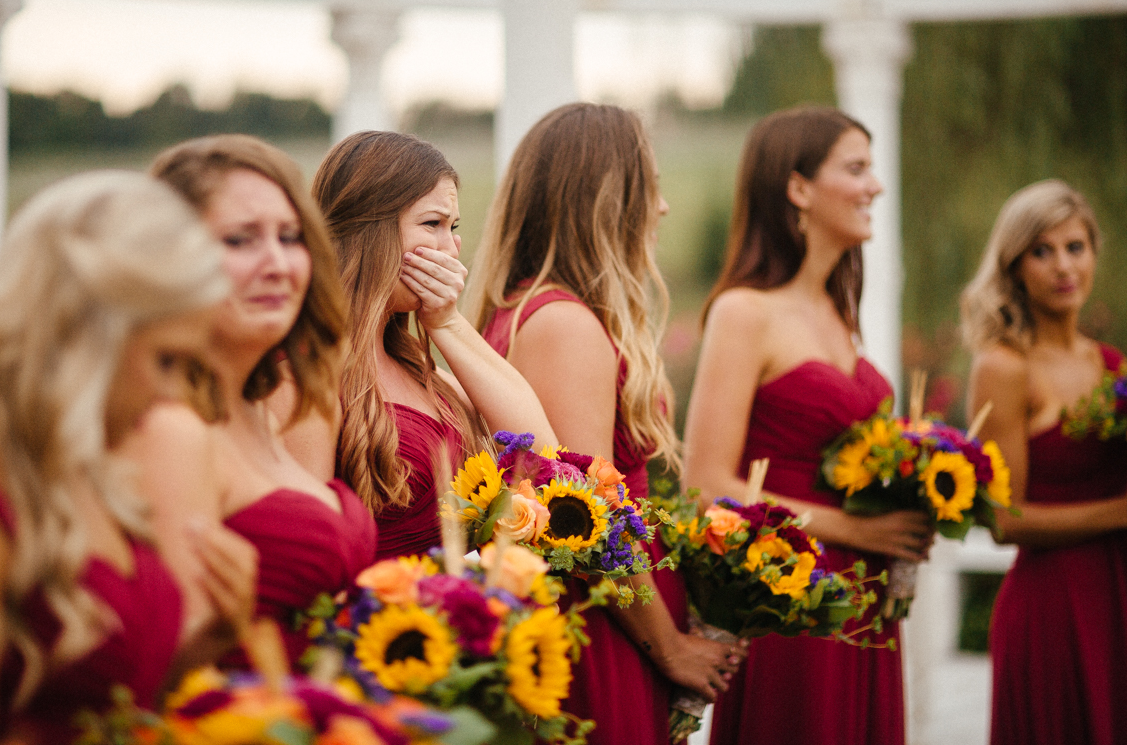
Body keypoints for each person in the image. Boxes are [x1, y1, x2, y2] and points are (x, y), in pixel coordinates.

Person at [0, 171, 255, 745]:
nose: (175, 397)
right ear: (84, 340)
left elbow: (107, 703)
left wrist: (210, 641)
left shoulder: (95, 469)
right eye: (167, 362)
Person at [465, 102, 743, 745]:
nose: (664, 208)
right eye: (651, 187)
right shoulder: (564, 323)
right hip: (602, 630)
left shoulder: (525, 310)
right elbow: (587, 517)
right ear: (609, 200)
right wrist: (668, 646)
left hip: (608, 619)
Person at [682, 106, 932, 745]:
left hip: (866, 599)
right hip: (794, 597)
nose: (875, 186)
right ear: (797, 188)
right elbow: (706, 483)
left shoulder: (836, 310)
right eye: (856, 169)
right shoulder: (745, 312)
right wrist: (854, 528)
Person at [133, 134, 374, 671]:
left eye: (290, 237)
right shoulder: (169, 426)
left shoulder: (276, 405)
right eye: (240, 240)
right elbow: (153, 670)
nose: (277, 264)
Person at [311, 131, 557, 560]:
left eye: (454, 227)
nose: (453, 248)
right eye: (433, 224)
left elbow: (543, 457)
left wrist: (447, 321)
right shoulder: (308, 373)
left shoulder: (418, 370)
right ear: (369, 232)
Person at [961, 179, 1127, 745]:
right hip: (1053, 608)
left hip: (1119, 598)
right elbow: (1003, 521)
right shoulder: (1003, 368)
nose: (1063, 267)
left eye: (1075, 248)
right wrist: (1119, 514)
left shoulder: (1111, 364)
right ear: (1014, 266)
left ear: (1094, 255)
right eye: (1042, 251)